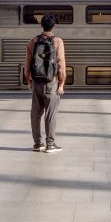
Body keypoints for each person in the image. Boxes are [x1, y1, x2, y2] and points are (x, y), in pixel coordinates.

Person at [23, 13, 66, 153]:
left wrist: (29, 80)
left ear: (41, 25)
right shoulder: (57, 41)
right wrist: (61, 84)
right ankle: (50, 144)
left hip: (36, 82)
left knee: (35, 114)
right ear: (54, 26)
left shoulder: (33, 41)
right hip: (51, 82)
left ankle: (37, 144)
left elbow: (27, 63)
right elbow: (61, 64)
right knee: (50, 114)